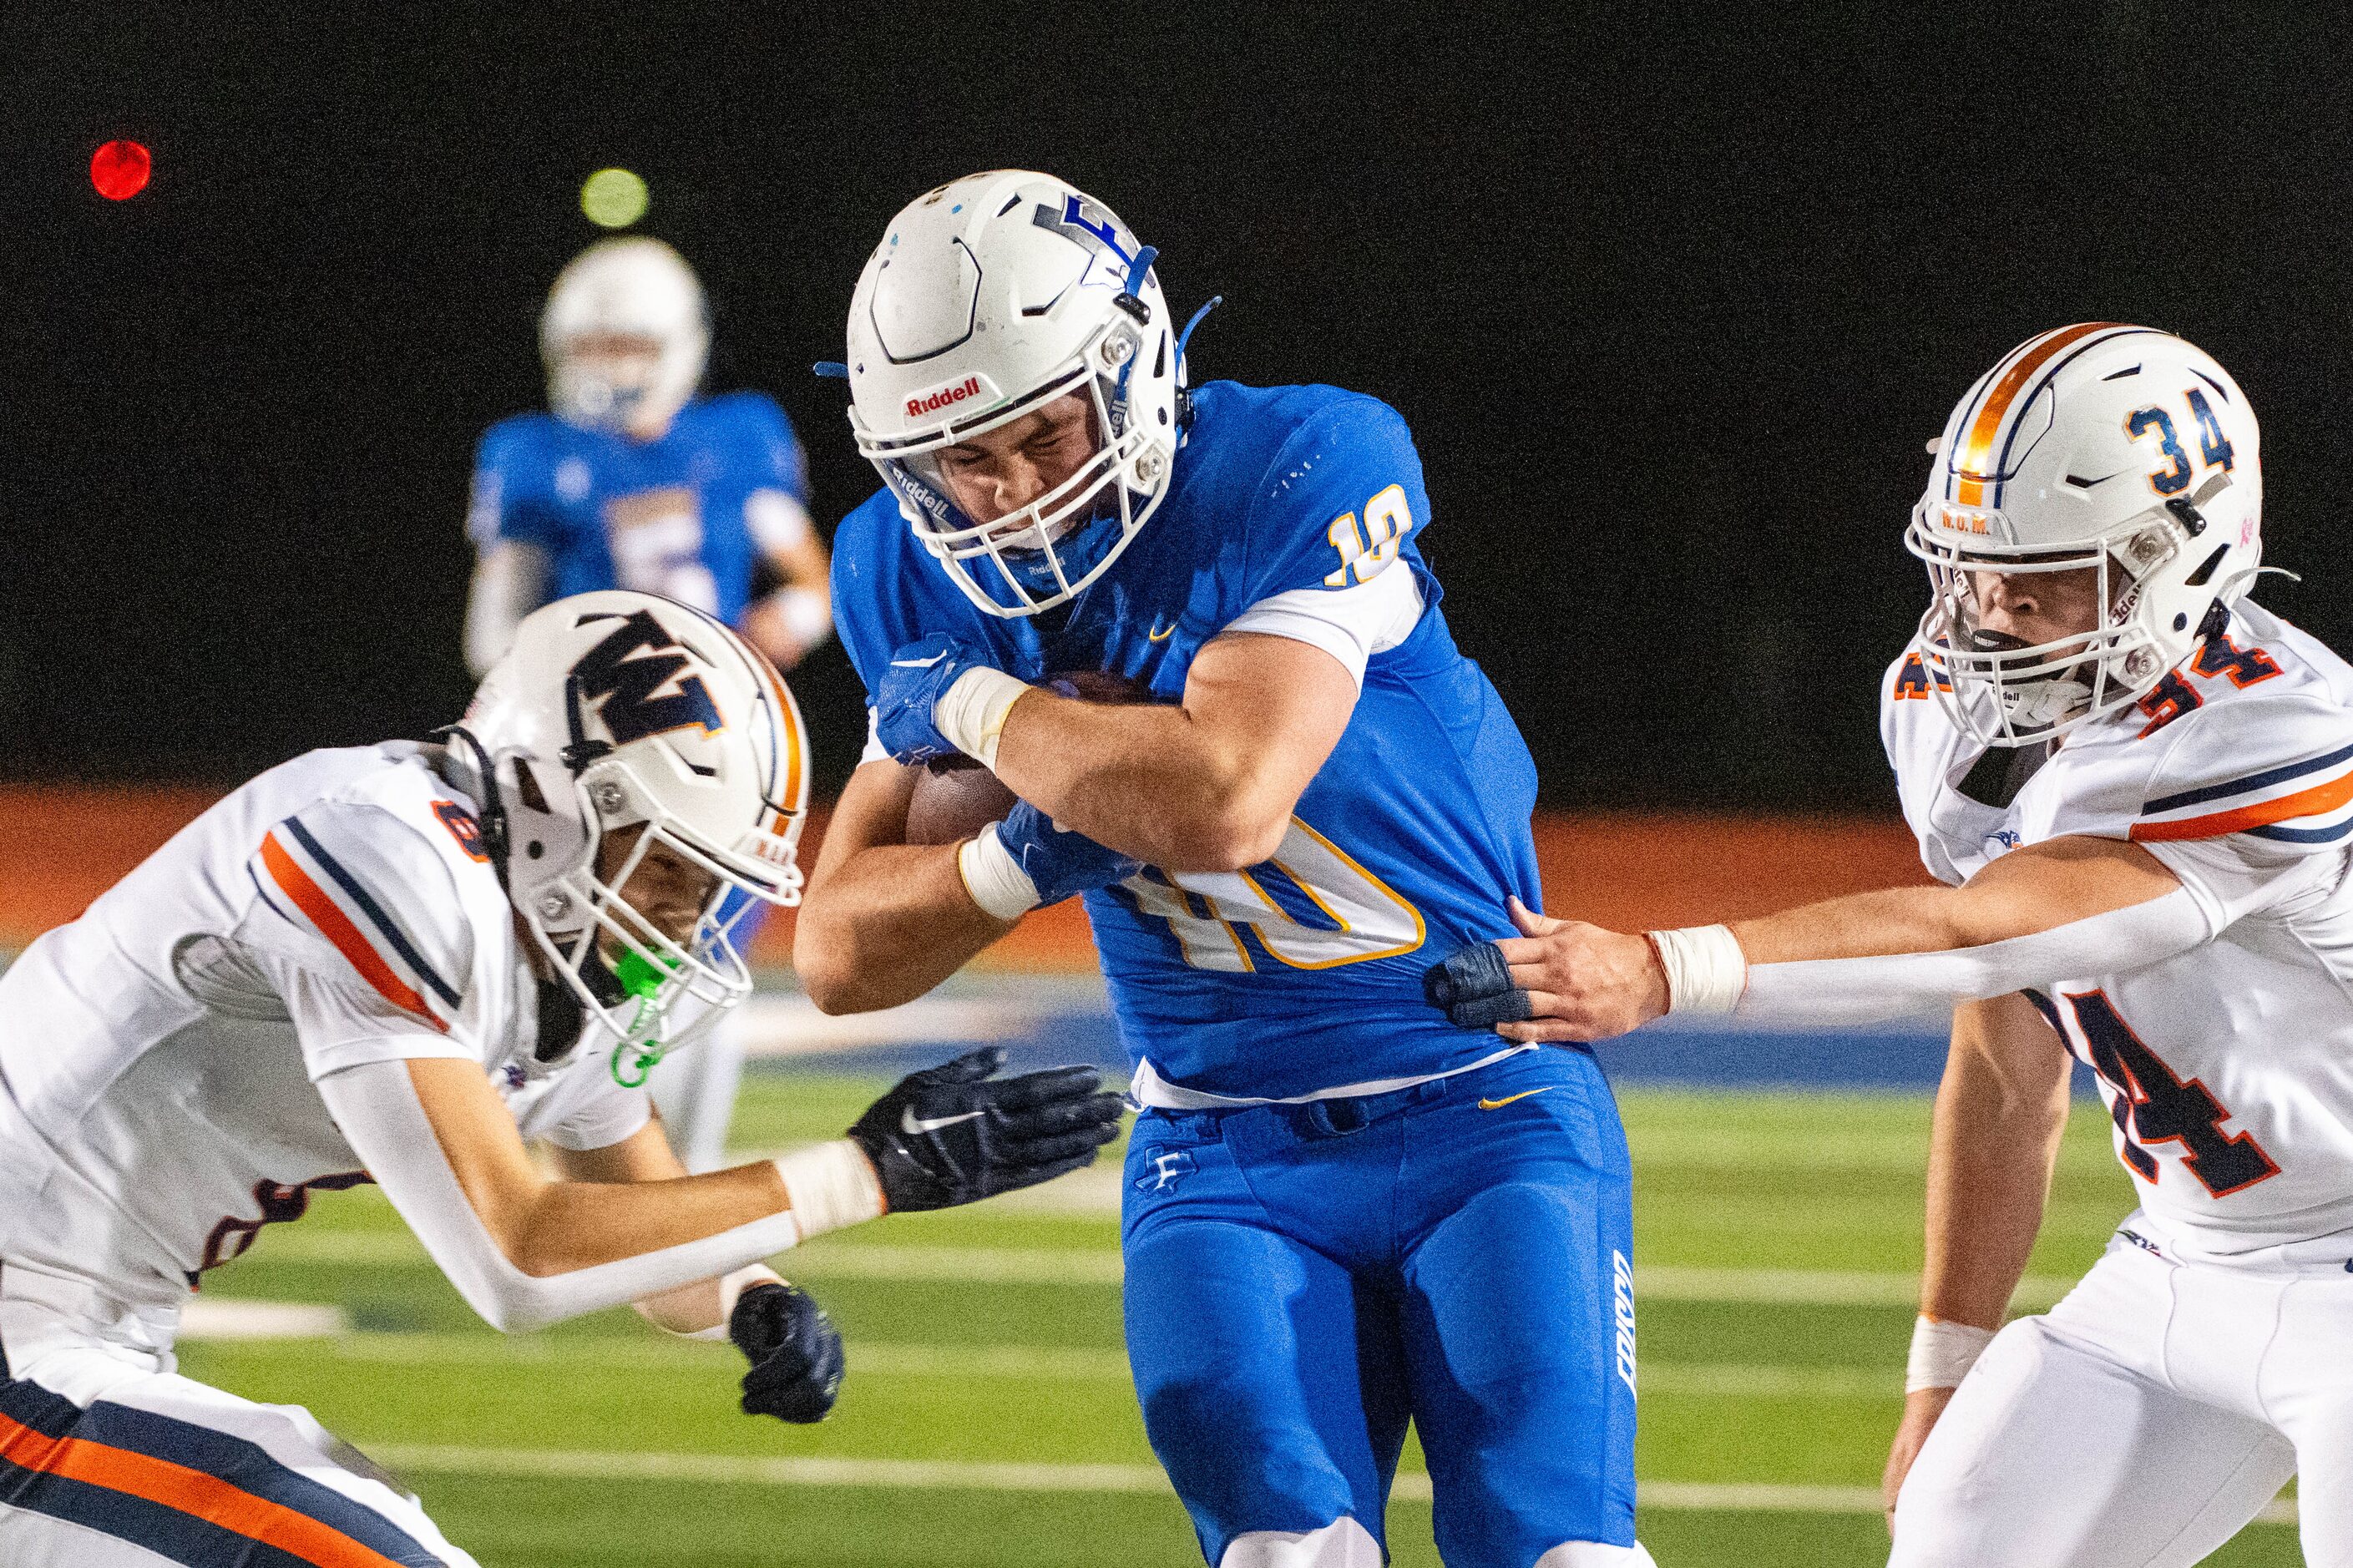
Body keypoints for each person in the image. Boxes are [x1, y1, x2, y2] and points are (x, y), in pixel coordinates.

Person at [797, 169, 1650, 1568]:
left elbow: (1225, 803)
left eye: (1039, 428)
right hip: (1217, 1145)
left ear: (1132, 365)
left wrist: (975, 710)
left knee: (1552, 1550)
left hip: (1481, 1101)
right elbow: (837, 951)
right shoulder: (904, 567)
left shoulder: (1304, 460)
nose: (1004, 491)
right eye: (962, 460)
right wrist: (1027, 845)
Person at [1429, 324, 2353, 1566]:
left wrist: (1664, 967)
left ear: (2174, 561)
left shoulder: (2277, 731)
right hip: (2182, 1261)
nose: (1992, 609)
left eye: (2045, 575)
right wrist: (1944, 1364)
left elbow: (1977, 935)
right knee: (1956, 1536)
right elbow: (2003, 1053)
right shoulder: (1953, 709)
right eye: (1974, 567)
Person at [0, 589, 1122, 1566]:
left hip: (82, 1332)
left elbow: (632, 1236)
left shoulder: (550, 944)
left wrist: (746, 1295)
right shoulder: (372, 847)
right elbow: (517, 1254)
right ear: (549, 799)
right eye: (673, 868)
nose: (687, 918)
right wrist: (866, 1172)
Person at [464, 235, 832, 1171]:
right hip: (591, 749)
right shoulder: (532, 455)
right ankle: (538, 1146)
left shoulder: (733, 438)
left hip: (717, 747)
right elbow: (492, 626)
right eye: (592, 350)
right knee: (565, 951)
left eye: (628, 346)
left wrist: (765, 632)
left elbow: (810, 584)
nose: (609, 371)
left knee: (695, 957)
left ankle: (674, 1173)